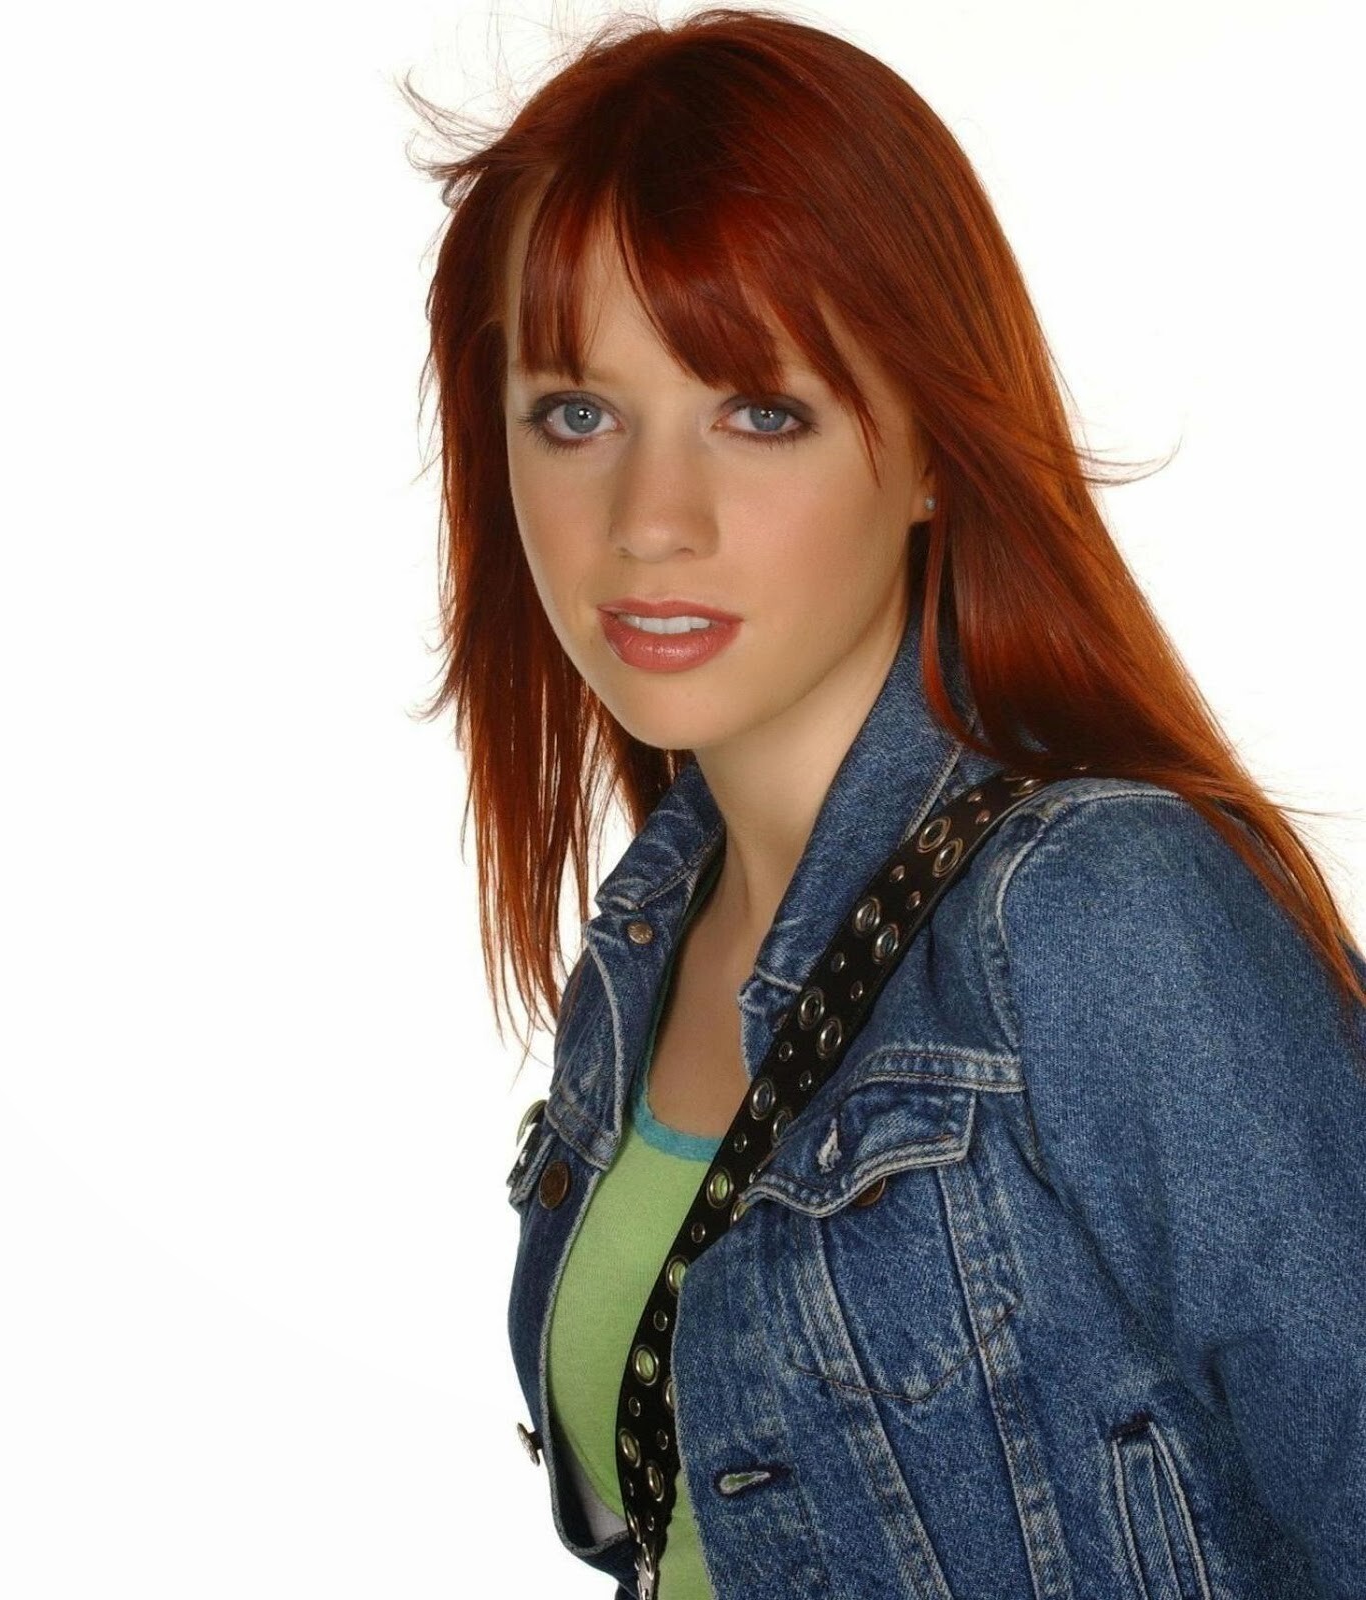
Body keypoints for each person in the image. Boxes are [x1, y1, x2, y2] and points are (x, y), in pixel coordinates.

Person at [405, 8, 1366, 1597]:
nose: (650, 518)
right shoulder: (646, 953)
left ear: (930, 450)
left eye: (758, 412)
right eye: (576, 413)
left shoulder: (1093, 913)